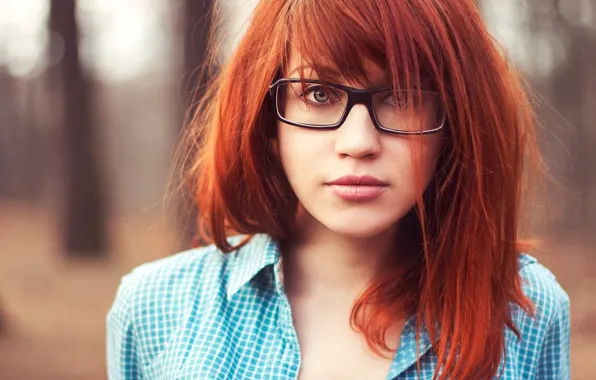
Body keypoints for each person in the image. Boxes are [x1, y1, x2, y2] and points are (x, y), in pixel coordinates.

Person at [106, 0, 571, 379]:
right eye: (318, 94)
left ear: (452, 122)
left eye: (403, 96)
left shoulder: (526, 309)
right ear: (268, 115)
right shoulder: (155, 307)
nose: (358, 143)